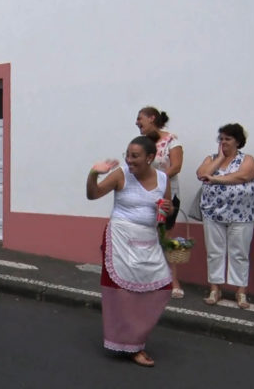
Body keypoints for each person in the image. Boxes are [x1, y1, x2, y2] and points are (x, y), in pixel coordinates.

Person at [86, 132, 173, 367]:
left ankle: (135, 338)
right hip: (121, 239)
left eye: (135, 156)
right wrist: (94, 173)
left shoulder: (164, 179)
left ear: (150, 158)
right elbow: (92, 194)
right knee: (122, 294)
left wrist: (167, 209)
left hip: (148, 240)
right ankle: (131, 346)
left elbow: (166, 215)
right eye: (128, 155)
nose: (129, 160)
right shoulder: (120, 175)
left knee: (162, 287)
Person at [196, 124, 254, 309]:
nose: (223, 142)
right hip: (213, 213)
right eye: (221, 138)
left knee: (239, 253)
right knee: (215, 252)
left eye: (228, 139)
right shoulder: (211, 158)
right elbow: (201, 174)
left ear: (238, 141)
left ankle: (241, 292)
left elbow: (243, 176)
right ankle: (215, 289)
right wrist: (220, 158)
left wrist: (214, 179)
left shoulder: (247, 159)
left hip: (241, 215)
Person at [136, 106, 185, 299]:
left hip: (167, 196)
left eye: (140, 119)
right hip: (144, 196)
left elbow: (176, 167)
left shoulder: (172, 140)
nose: (137, 123)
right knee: (145, 237)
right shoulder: (140, 143)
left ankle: (173, 281)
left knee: (164, 237)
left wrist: (156, 179)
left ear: (152, 118)